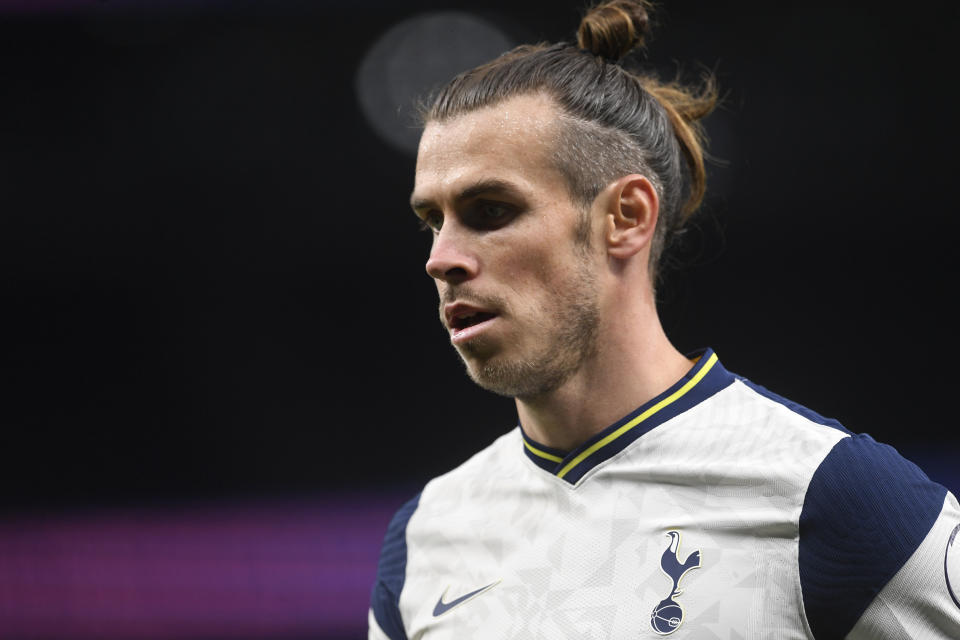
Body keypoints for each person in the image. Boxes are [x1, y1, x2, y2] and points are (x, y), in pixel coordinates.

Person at [368, 1, 960, 637]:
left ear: (625, 218)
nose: (441, 259)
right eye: (433, 221)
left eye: (489, 211)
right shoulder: (425, 540)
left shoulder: (832, 496)